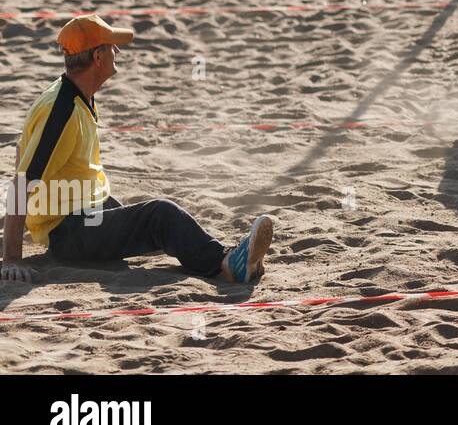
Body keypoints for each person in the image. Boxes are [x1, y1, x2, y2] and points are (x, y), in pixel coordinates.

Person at [1, 16, 274, 284]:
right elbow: (22, 181)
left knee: (157, 227)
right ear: (97, 57)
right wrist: (12, 257)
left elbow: (21, 150)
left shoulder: (73, 91)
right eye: (111, 47)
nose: (117, 51)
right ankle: (226, 265)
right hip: (69, 231)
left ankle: (224, 254)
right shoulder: (61, 109)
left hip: (85, 207)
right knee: (161, 215)